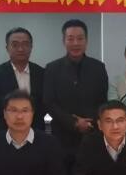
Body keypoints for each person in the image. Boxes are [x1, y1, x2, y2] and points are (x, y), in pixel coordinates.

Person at [43, 19, 108, 160]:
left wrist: (89, 122)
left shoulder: (98, 67)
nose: (75, 43)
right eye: (70, 39)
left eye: (80, 38)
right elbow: (49, 102)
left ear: (86, 41)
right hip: (62, 136)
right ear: (64, 41)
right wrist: (74, 122)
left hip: (92, 135)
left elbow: (103, 101)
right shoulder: (52, 68)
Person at [0, 27, 45, 136]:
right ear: (7, 48)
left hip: (35, 132)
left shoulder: (41, 73)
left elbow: (46, 102)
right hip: (3, 133)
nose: (20, 49)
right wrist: (11, 103)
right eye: (15, 44)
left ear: (31, 47)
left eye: (25, 44)